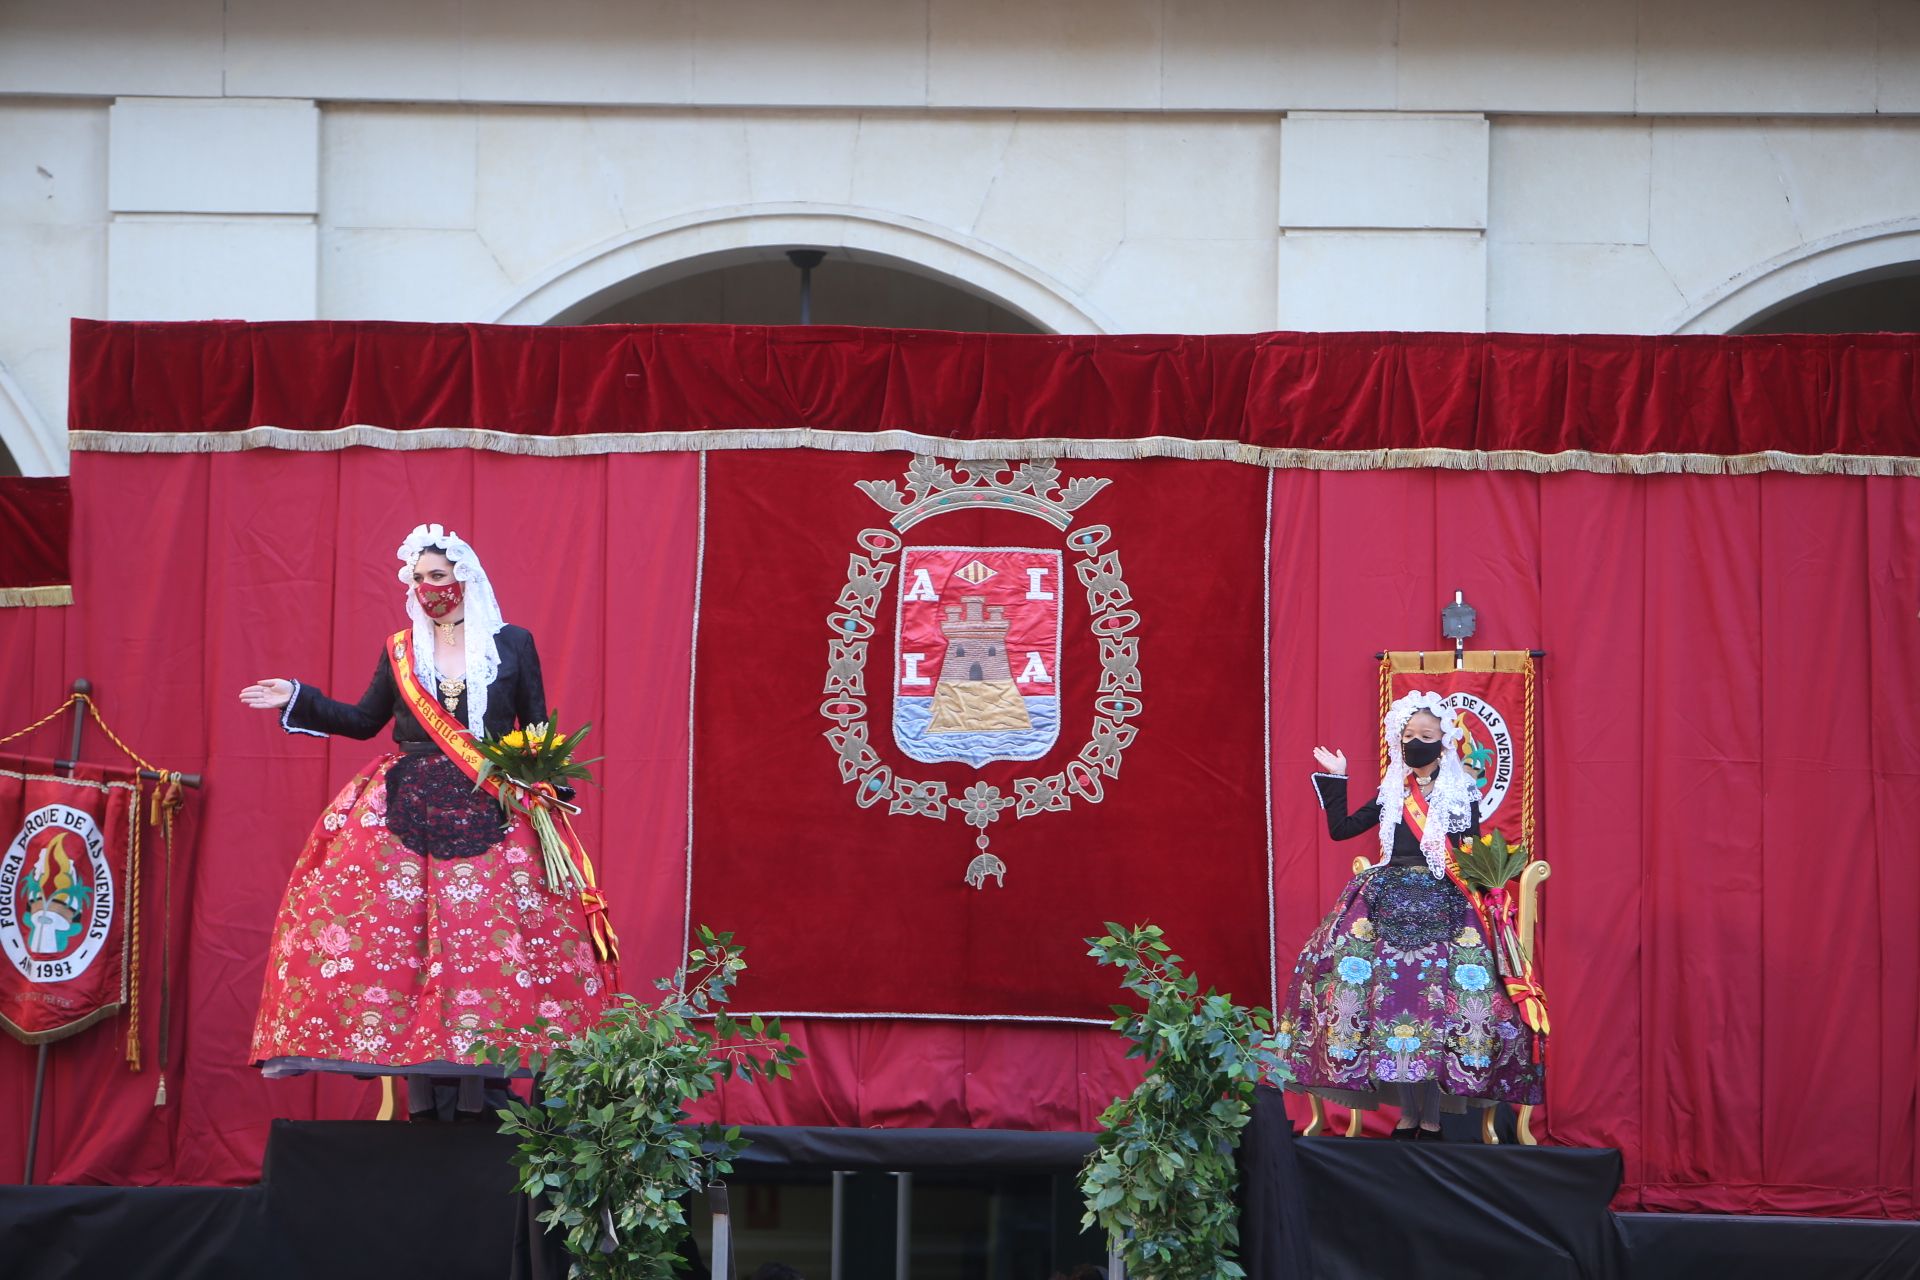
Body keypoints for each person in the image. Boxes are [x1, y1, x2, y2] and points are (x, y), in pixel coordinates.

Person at [240, 523, 610, 1118]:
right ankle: (422, 1099)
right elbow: (364, 720)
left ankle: (480, 1096)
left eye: (437, 575)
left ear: (465, 576)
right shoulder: (400, 649)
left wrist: (547, 791)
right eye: (417, 578)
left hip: (492, 807)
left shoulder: (512, 644)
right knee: (400, 943)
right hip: (405, 805)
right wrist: (297, 696)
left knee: (483, 946)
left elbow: (537, 727)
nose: (428, 586)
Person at [1276, 690, 1543, 1139]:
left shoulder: (1460, 794)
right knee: (1377, 999)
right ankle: (1404, 1112)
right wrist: (1336, 778)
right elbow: (1343, 831)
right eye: (1407, 735)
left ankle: (1432, 1113)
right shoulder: (1391, 791)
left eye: (1425, 735)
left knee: (1435, 1004)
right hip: (1382, 897)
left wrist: (1489, 898)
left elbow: (1470, 854)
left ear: (1444, 742)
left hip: (1444, 899)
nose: (1414, 742)